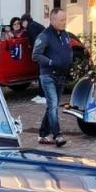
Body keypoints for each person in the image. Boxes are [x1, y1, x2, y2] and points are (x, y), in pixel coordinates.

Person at [32, 8, 73, 147]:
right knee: (53, 105)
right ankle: (58, 135)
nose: (64, 22)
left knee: (51, 106)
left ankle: (43, 134)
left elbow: (68, 50)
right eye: (61, 20)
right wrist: (50, 62)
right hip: (48, 75)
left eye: (65, 19)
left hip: (61, 75)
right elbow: (35, 55)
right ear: (52, 20)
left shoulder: (65, 34)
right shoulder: (44, 36)